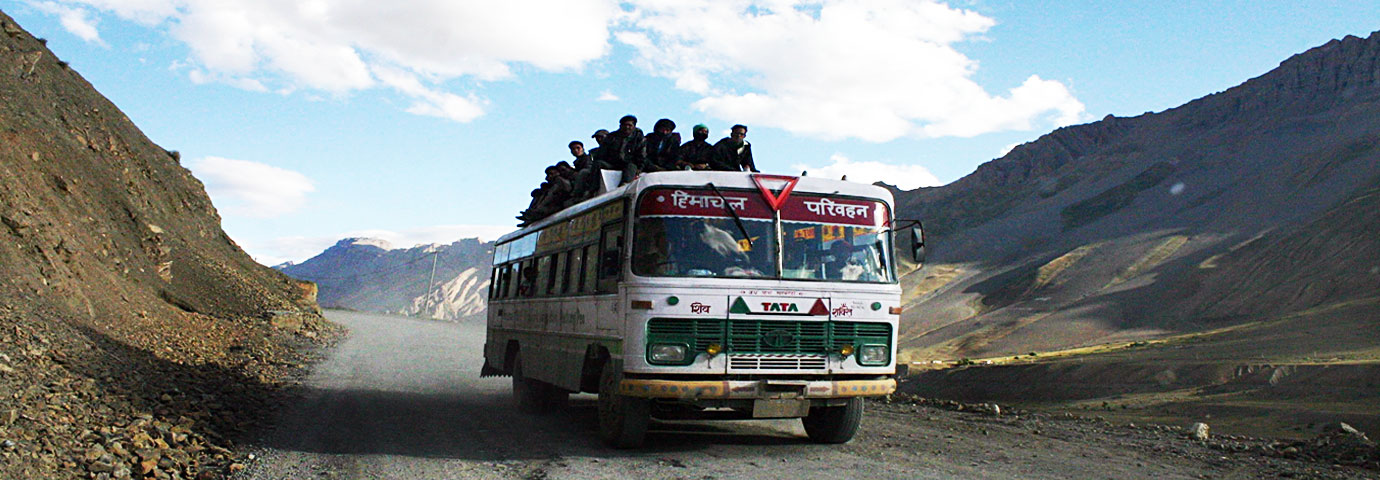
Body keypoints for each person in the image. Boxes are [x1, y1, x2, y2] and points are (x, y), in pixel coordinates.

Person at [605, 115, 647, 183]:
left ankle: (624, 186)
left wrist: (639, 169)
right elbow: (602, 153)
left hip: (629, 164)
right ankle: (592, 190)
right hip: (612, 164)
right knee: (598, 164)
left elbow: (642, 156)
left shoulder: (639, 139)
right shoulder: (611, 137)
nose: (627, 127)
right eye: (624, 125)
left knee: (631, 167)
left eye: (629, 125)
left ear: (634, 127)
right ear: (620, 126)